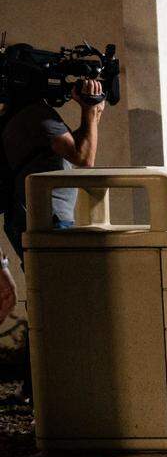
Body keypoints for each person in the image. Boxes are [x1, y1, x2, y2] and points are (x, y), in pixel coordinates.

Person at [0, 77, 105, 321]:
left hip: (34, 217)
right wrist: (89, 109)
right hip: (47, 219)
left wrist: (94, 111)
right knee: (63, 299)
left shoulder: (20, 116)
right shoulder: (36, 114)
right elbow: (83, 157)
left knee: (52, 295)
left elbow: (70, 145)